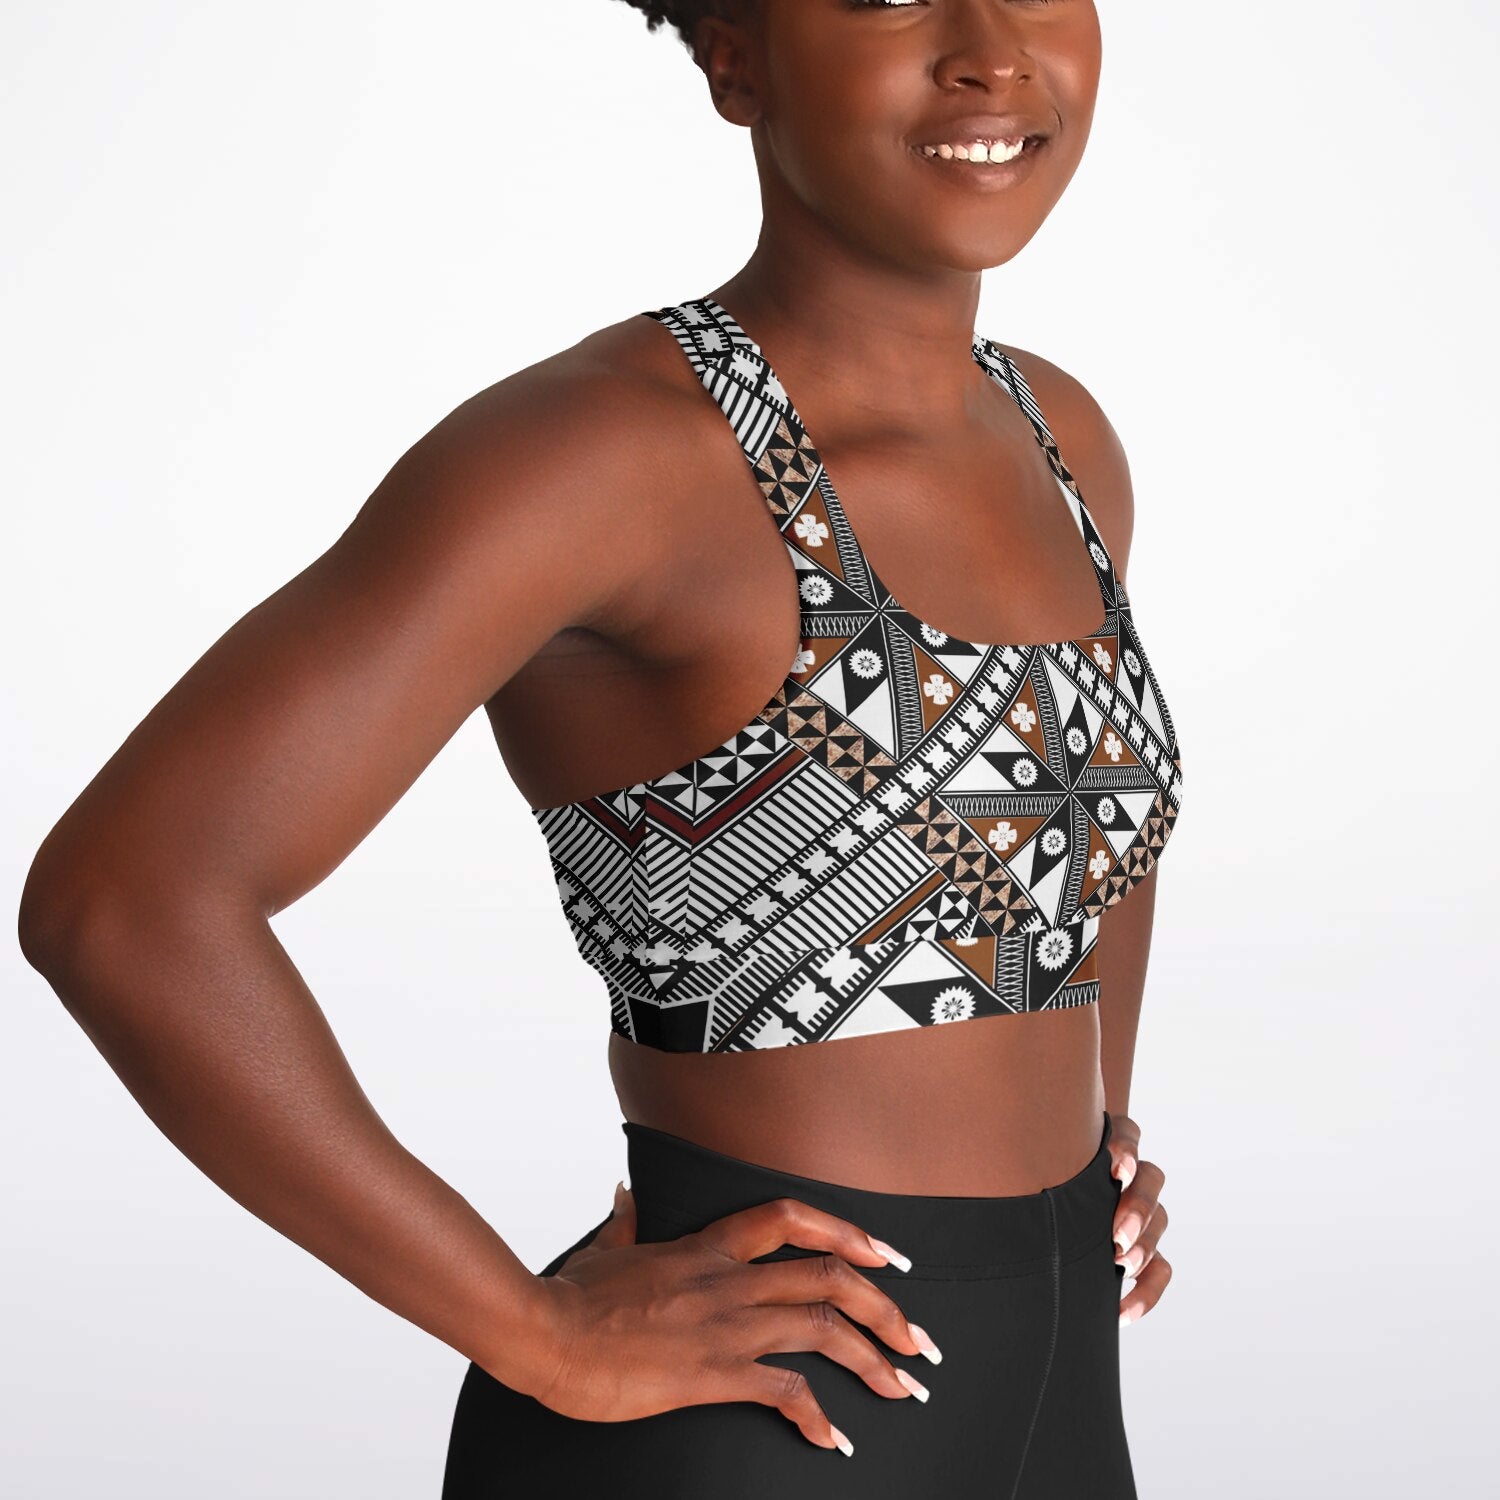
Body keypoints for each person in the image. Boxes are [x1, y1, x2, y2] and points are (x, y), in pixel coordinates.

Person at [18, 1, 1183, 1494]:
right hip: (751, 1426)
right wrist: (539, 1335)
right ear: (736, 56)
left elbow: (1084, 829)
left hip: (1065, 1387)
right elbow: (124, 901)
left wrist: (1092, 1135)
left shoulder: (1058, 434)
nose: (990, 49)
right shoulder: (611, 454)